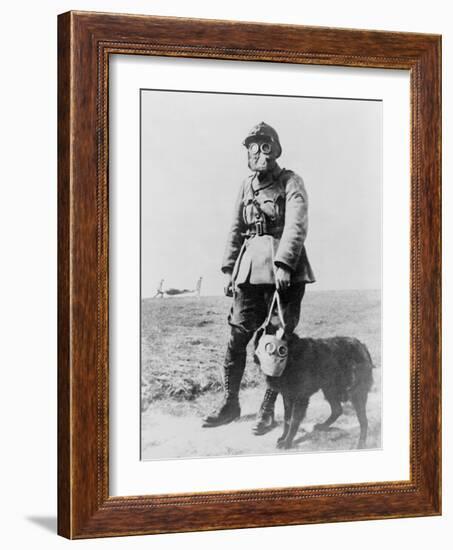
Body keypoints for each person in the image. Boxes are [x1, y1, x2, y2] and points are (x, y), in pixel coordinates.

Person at [202, 122, 315, 434]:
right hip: (249, 271)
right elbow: (236, 228)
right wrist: (228, 270)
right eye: (252, 147)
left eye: (265, 145)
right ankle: (230, 403)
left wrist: (284, 264)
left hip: (285, 275)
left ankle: (268, 408)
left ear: (275, 149)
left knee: (275, 341)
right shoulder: (246, 185)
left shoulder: (291, 181)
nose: (259, 152)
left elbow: (296, 224)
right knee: (238, 336)